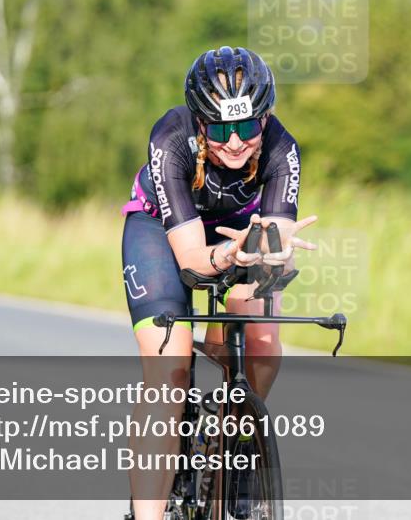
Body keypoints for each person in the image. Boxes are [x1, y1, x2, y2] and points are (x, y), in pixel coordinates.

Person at [120, 46, 316, 520]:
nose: (234, 142)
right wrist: (228, 253)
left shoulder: (282, 150)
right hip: (163, 233)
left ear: (264, 120)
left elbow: (269, 245)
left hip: (241, 236)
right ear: (200, 121)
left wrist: (271, 258)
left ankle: (235, 446)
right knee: (170, 372)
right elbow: (190, 260)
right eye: (221, 128)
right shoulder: (171, 136)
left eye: (247, 127)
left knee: (263, 348)